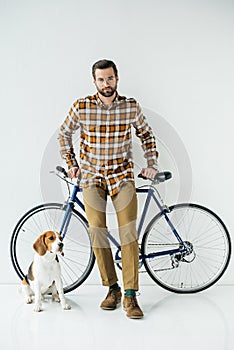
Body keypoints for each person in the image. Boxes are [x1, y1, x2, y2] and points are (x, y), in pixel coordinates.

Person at [58, 59, 158, 319]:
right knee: (97, 231)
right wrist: (71, 164)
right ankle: (112, 288)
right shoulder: (81, 106)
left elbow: (146, 134)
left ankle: (130, 295)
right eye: (101, 79)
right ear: (94, 81)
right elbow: (64, 134)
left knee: (128, 232)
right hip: (91, 177)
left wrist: (151, 164)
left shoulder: (130, 106)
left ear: (117, 79)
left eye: (110, 78)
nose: (106, 84)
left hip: (121, 176)